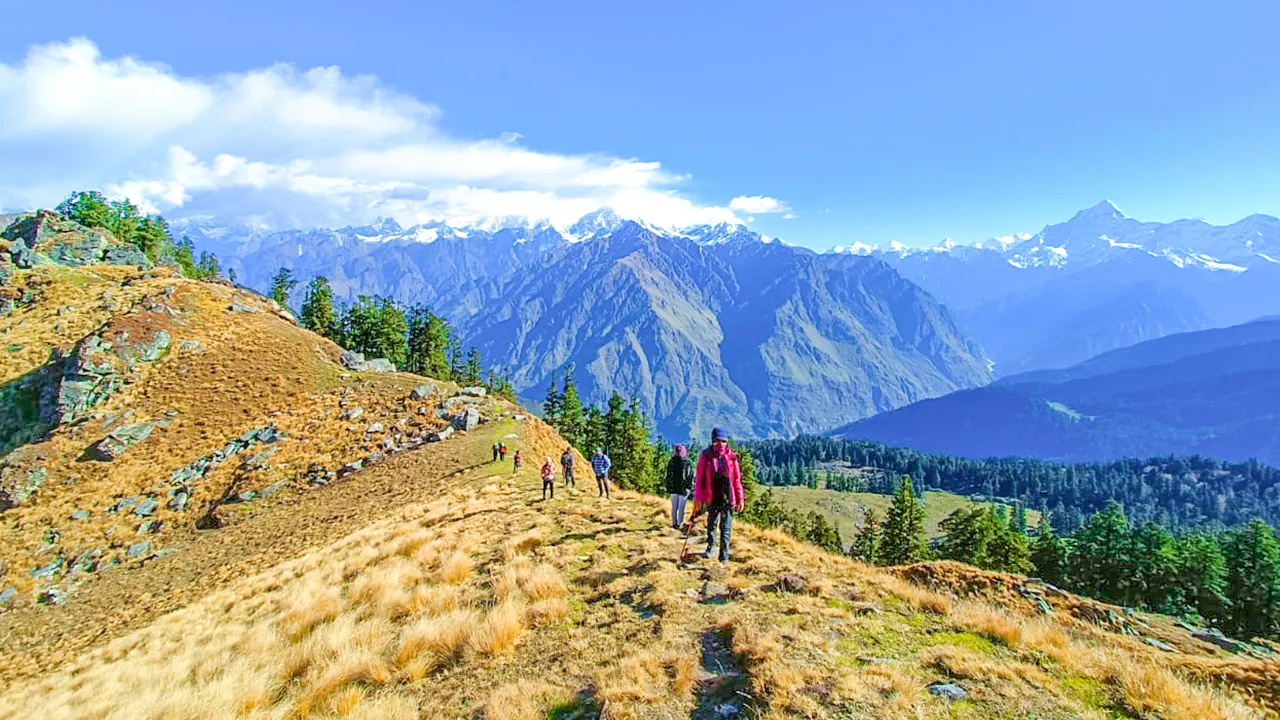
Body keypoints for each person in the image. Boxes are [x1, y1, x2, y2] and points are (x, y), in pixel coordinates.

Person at [693, 427, 744, 562]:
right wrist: (698, 498)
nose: (720, 444)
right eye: (716, 441)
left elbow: (737, 480)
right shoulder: (706, 455)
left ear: (727, 442)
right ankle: (711, 546)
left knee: (725, 528)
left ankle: (724, 557)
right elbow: (699, 478)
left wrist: (740, 499)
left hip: (728, 497)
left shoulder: (732, 457)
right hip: (712, 497)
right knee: (711, 524)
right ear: (712, 441)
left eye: (723, 441)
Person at [664, 444, 695, 529]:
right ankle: (680, 524)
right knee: (681, 508)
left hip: (673, 488)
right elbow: (690, 476)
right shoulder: (687, 462)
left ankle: (674, 523)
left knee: (674, 507)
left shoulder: (671, 461)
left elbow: (668, 476)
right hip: (684, 489)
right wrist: (691, 487)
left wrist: (668, 486)